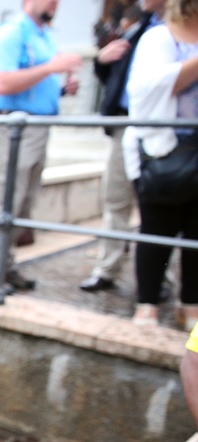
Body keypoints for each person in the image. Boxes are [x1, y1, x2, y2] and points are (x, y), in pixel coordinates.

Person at [0, 0, 82, 292]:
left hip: (37, 126)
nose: (55, 3)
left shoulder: (45, 36)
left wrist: (61, 88)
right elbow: (2, 84)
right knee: (5, 199)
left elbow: (36, 83)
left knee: (23, 203)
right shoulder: (12, 33)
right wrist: (51, 67)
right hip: (15, 130)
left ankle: (5, 264)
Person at [80, 0, 166, 294]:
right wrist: (101, 61)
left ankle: (160, 278)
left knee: (161, 205)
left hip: (164, 127)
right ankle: (107, 268)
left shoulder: (180, 29)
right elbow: (115, 75)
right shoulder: (138, 26)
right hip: (125, 122)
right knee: (116, 198)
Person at [122, 0, 198, 328]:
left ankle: (191, 306)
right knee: (156, 229)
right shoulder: (158, 38)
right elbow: (145, 91)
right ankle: (147, 304)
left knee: (196, 234)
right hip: (163, 153)